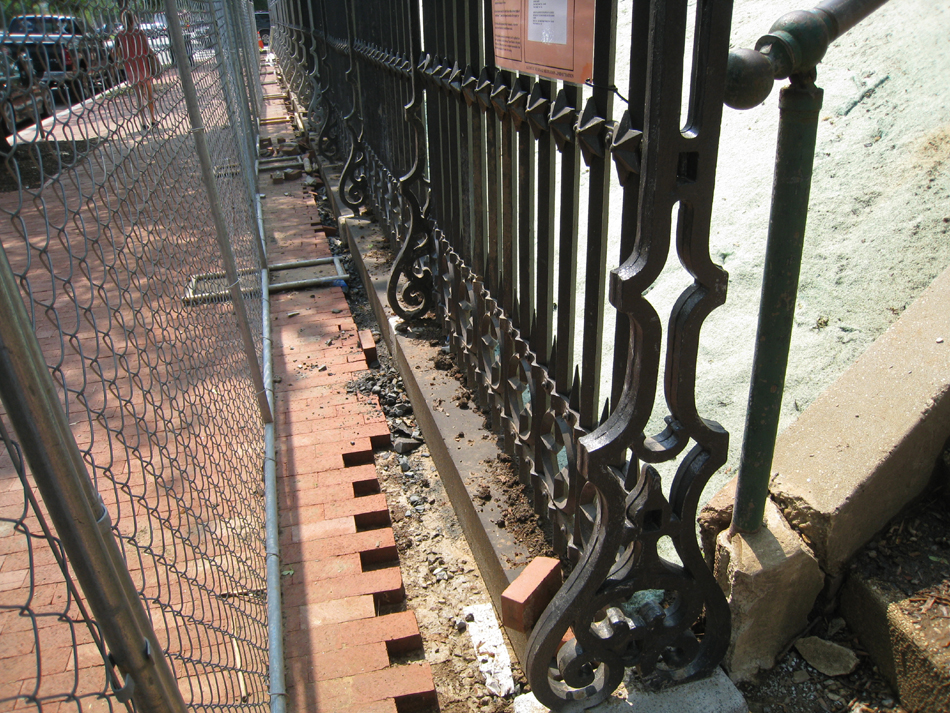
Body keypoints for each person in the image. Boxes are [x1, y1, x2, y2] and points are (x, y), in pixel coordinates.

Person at [114, 12, 157, 131]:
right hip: (143, 65)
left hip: (130, 67)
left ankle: (143, 121)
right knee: (149, 93)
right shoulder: (139, 33)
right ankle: (153, 118)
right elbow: (147, 48)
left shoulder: (120, 35)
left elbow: (117, 52)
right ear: (134, 20)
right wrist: (154, 57)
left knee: (138, 95)